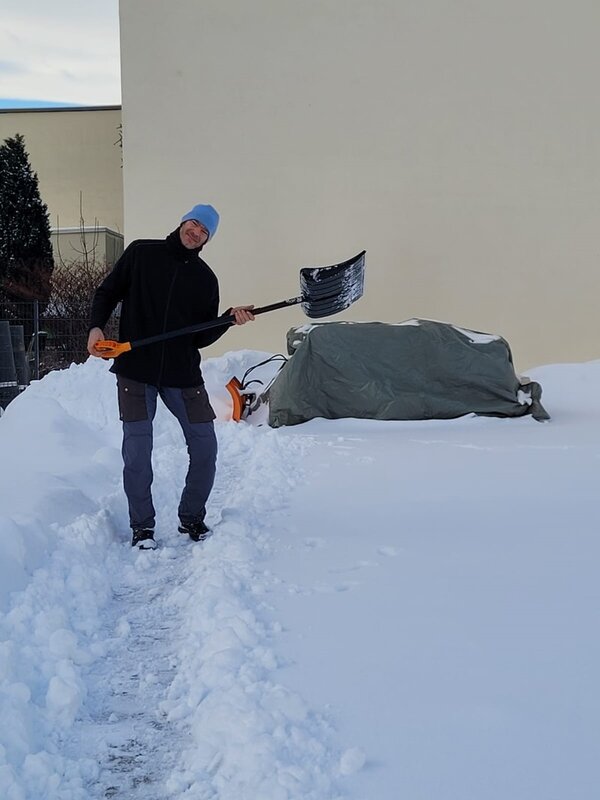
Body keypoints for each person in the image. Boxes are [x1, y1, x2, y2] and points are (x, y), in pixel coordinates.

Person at [87, 204, 255, 550]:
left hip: (183, 376)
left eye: (204, 232)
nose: (196, 233)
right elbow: (107, 292)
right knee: (137, 450)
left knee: (205, 445)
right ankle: (142, 528)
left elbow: (199, 336)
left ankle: (191, 517)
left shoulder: (206, 279)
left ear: (208, 239)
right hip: (135, 371)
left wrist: (226, 320)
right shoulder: (142, 253)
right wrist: (95, 326)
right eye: (194, 225)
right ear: (183, 221)